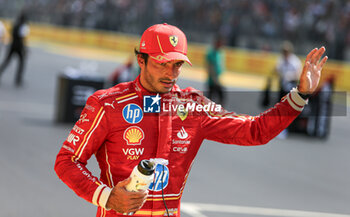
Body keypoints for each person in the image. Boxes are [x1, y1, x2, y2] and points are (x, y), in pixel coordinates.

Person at [54, 23, 327, 217]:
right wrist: (107, 196)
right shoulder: (107, 103)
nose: (171, 73)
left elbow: (255, 131)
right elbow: (67, 161)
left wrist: (300, 95)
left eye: (177, 64)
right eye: (162, 62)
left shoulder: (193, 106)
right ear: (141, 59)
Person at [0, 13, 30, 86]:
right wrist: (24, 48)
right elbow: (22, 37)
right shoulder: (23, 26)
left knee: (7, 60)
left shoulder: (15, 24)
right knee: (21, 62)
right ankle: (18, 79)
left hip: (12, 45)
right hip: (18, 46)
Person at [206, 35, 225, 104]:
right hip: (213, 79)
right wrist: (214, 79)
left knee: (218, 97)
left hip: (217, 78)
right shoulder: (211, 53)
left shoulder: (220, 52)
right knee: (211, 97)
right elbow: (210, 67)